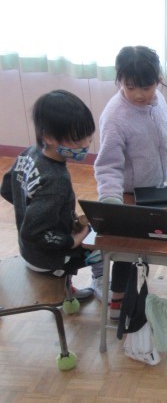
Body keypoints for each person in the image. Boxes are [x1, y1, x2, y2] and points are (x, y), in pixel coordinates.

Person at [94, 45, 167, 319]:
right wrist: (111, 202)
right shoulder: (115, 117)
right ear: (120, 81)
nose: (139, 94)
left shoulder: (157, 100)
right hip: (128, 194)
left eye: (147, 87)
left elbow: (163, 128)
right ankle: (117, 301)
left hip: (155, 189)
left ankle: (137, 291)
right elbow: (108, 165)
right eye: (130, 87)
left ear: (158, 80)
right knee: (127, 251)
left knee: (148, 246)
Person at [1, 90, 97, 299]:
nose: (85, 144)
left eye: (88, 135)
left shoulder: (29, 153)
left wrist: (30, 209)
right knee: (105, 246)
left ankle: (66, 288)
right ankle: (102, 290)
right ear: (48, 137)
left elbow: (7, 189)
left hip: (29, 251)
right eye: (76, 140)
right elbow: (33, 233)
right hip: (47, 259)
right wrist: (73, 240)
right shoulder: (56, 179)